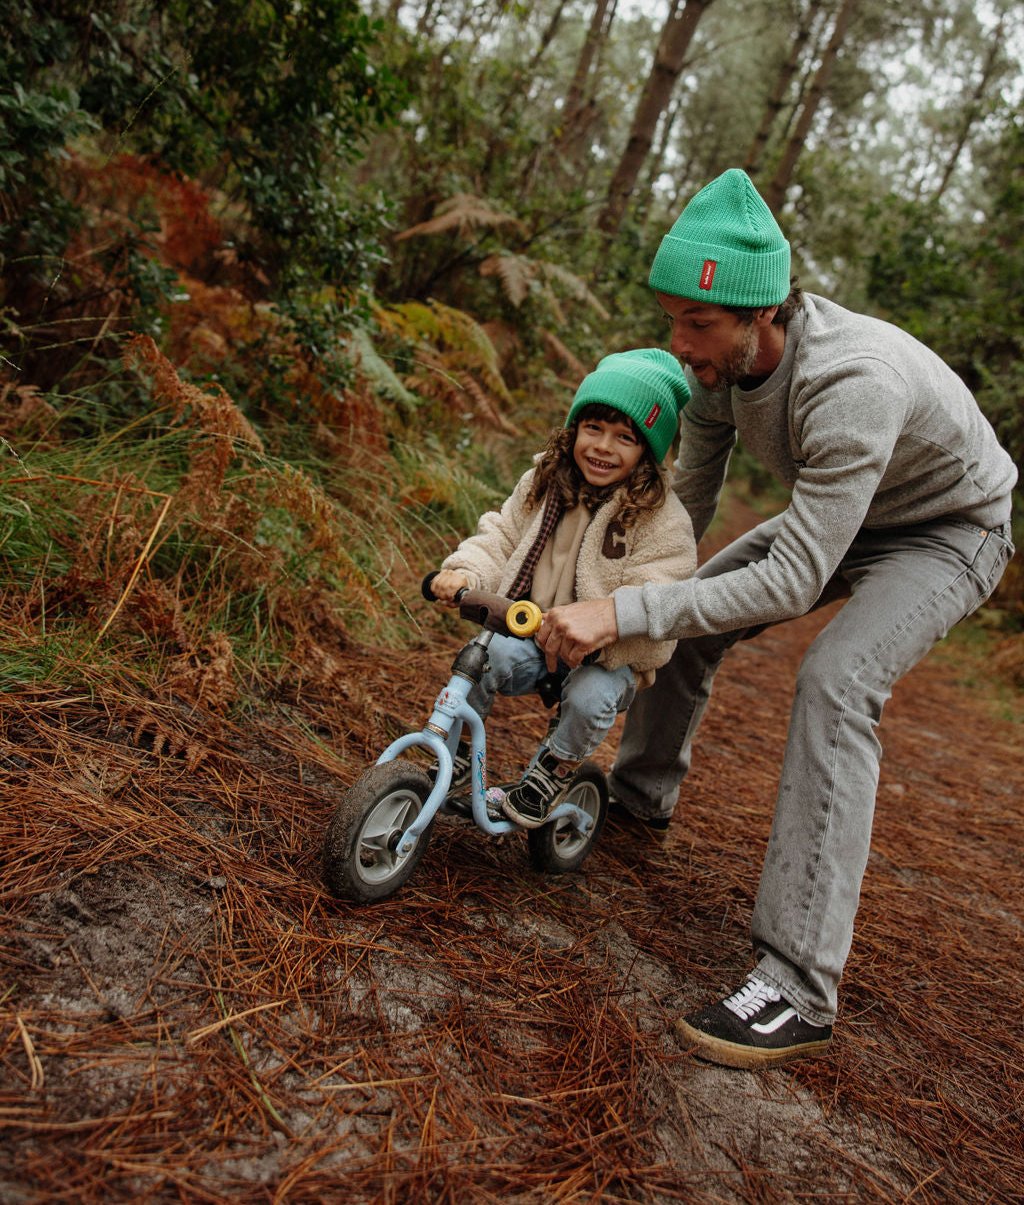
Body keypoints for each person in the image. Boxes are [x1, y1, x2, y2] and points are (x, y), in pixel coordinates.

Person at [535, 168, 1017, 1069]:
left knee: (837, 682)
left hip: (948, 533)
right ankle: (638, 799)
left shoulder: (853, 383)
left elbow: (794, 579)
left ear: (762, 315)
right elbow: (684, 523)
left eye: (697, 324)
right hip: (844, 515)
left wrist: (620, 610)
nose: (678, 344)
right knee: (687, 616)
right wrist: (614, 595)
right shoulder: (714, 372)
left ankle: (799, 984)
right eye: (673, 317)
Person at [431, 348, 696, 829]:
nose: (603, 447)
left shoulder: (662, 520)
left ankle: (552, 771)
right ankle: (449, 759)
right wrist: (465, 572)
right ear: (575, 429)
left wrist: (608, 628)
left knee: (592, 699)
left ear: (649, 452)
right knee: (483, 658)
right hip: (533, 635)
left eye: (625, 438)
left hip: (605, 656)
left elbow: (662, 593)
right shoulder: (544, 481)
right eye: (593, 428)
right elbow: (502, 535)